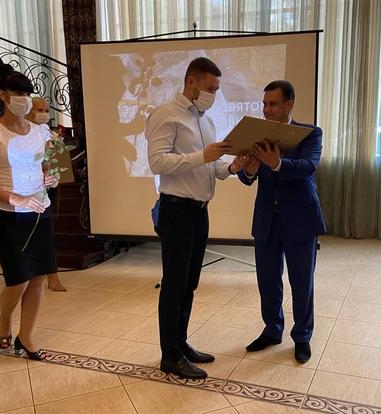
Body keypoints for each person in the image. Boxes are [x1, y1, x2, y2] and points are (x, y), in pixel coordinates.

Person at [145, 57, 245, 379]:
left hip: (200, 212)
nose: (214, 94)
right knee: (174, 285)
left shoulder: (206, 121)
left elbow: (210, 167)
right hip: (176, 211)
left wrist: (232, 167)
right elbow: (157, 163)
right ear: (191, 82)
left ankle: (181, 343)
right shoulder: (165, 115)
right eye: (210, 88)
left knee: (189, 284)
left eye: (216, 89)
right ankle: (169, 355)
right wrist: (203, 155)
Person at [0, 64, 59, 360]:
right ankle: (5, 318)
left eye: (27, 94)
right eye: (18, 94)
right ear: (3, 95)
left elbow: (45, 166)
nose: (23, 99)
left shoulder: (40, 131)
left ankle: (27, 336)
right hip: (6, 215)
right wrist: (14, 197)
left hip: (39, 211)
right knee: (18, 278)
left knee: (39, 277)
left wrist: (50, 176)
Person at [238, 80, 326, 363]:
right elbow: (246, 178)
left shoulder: (310, 133)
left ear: (289, 104)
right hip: (267, 220)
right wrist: (249, 170)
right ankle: (272, 330)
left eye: (273, 104)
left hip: (300, 218)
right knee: (267, 281)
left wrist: (276, 164)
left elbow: (308, 166)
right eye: (264, 104)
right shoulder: (256, 137)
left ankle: (302, 337)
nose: (266, 109)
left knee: (302, 283)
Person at [26, 97, 67, 292]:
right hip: (21, 194)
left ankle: (52, 276)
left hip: (42, 192)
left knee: (46, 237)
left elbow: (51, 162)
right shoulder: (17, 132)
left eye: (46, 110)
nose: (44, 114)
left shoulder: (47, 134)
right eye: (39, 110)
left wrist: (51, 174)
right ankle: (29, 274)